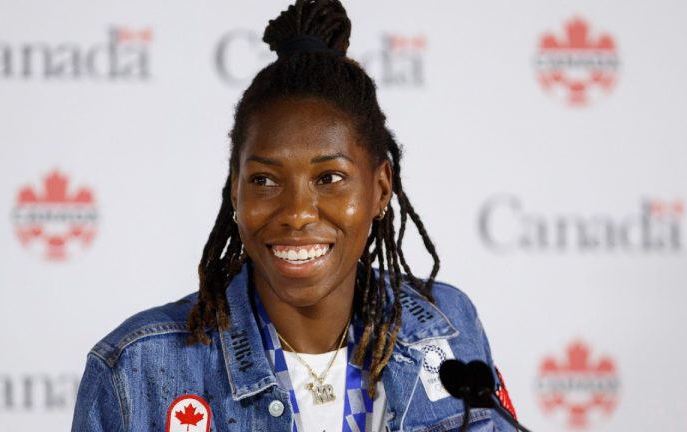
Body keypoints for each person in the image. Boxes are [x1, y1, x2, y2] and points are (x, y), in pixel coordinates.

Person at [71, 1, 516, 431]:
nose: (297, 213)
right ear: (234, 190)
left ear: (381, 188)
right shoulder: (136, 369)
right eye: (265, 180)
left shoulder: (449, 325)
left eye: (330, 177)